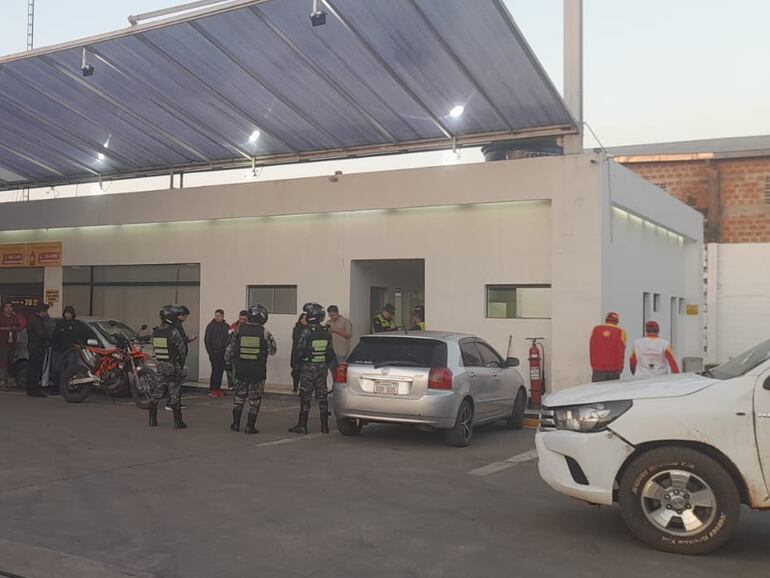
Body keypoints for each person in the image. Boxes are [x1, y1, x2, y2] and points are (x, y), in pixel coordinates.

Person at [225, 304, 277, 434]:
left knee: (239, 397)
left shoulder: (238, 330)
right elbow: (272, 350)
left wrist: (228, 362)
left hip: (241, 370)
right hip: (257, 371)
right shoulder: (265, 332)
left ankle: (235, 424)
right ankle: (250, 426)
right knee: (255, 399)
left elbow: (229, 350)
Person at [289, 303, 337, 434]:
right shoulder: (326, 331)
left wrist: (297, 364)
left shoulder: (307, 331)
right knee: (322, 396)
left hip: (308, 368)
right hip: (322, 367)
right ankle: (324, 426)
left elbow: (299, 350)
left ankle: (302, 425)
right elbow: (330, 351)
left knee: (305, 397)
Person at [148, 304, 189, 429]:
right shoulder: (173, 331)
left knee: (157, 391)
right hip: (173, 365)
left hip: (161, 364)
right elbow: (181, 349)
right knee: (174, 391)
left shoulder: (156, 331)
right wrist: (181, 362)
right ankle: (178, 421)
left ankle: (152, 419)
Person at [51, 306, 92, 394]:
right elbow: (54, 336)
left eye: (69, 313)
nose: (67, 315)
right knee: (58, 368)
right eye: (66, 313)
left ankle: (67, 387)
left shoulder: (77, 324)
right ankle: (57, 387)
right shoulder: (60, 324)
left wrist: (80, 344)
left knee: (69, 369)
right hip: (59, 350)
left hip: (71, 350)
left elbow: (82, 336)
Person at [25, 304, 54, 398]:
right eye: (46, 311)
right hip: (37, 348)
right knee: (36, 369)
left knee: (32, 368)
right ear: (41, 311)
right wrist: (48, 336)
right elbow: (41, 334)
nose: (47, 313)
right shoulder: (38, 321)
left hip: (32, 347)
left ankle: (30, 388)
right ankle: (34, 389)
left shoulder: (31, 319)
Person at [589, 312, 627, 382]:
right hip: (614, 369)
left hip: (598, 369)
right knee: (611, 389)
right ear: (616, 322)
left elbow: (592, 348)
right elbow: (621, 351)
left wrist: (593, 365)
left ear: (606, 320)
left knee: (597, 388)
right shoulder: (621, 332)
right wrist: (620, 368)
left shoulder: (596, 329)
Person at [0, 301, 26, 390]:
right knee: (3, 362)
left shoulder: (14, 317)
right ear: (3, 308)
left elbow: (21, 327)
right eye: (7, 307)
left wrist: (16, 328)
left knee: (10, 362)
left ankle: (6, 380)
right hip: (2, 343)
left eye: (10, 307)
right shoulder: (1, 317)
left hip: (12, 343)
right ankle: (3, 381)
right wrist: (5, 328)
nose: (9, 308)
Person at [204, 309, 230, 399]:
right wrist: (210, 352)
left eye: (219, 315)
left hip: (223, 353)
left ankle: (218, 388)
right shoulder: (210, 326)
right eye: (216, 315)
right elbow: (207, 340)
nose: (217, 317)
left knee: (220, 371)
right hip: (214, 353)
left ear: (223, 316)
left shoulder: (226, 326)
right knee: (215, 370)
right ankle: (213, 389)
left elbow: (229, 339)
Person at [225, 310, 249, 389]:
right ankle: (235, 385)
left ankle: (242, 386)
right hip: (234, 353)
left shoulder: (250, 328)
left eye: (244, 319)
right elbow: (228, 339)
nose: (242, 321)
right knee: (232, 370)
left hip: (245, 354)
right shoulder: (234, 326)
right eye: (240, 319)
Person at [290, 312, 308, 393]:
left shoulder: (310, 329)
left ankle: (304, 388)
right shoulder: (296, 328)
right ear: (300, 319)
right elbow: (297, 340)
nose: (305, 320)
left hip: (307, 354)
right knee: (296, 371)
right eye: (303, 318)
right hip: (296, 353)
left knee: (306, 372)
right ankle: (295, 387)